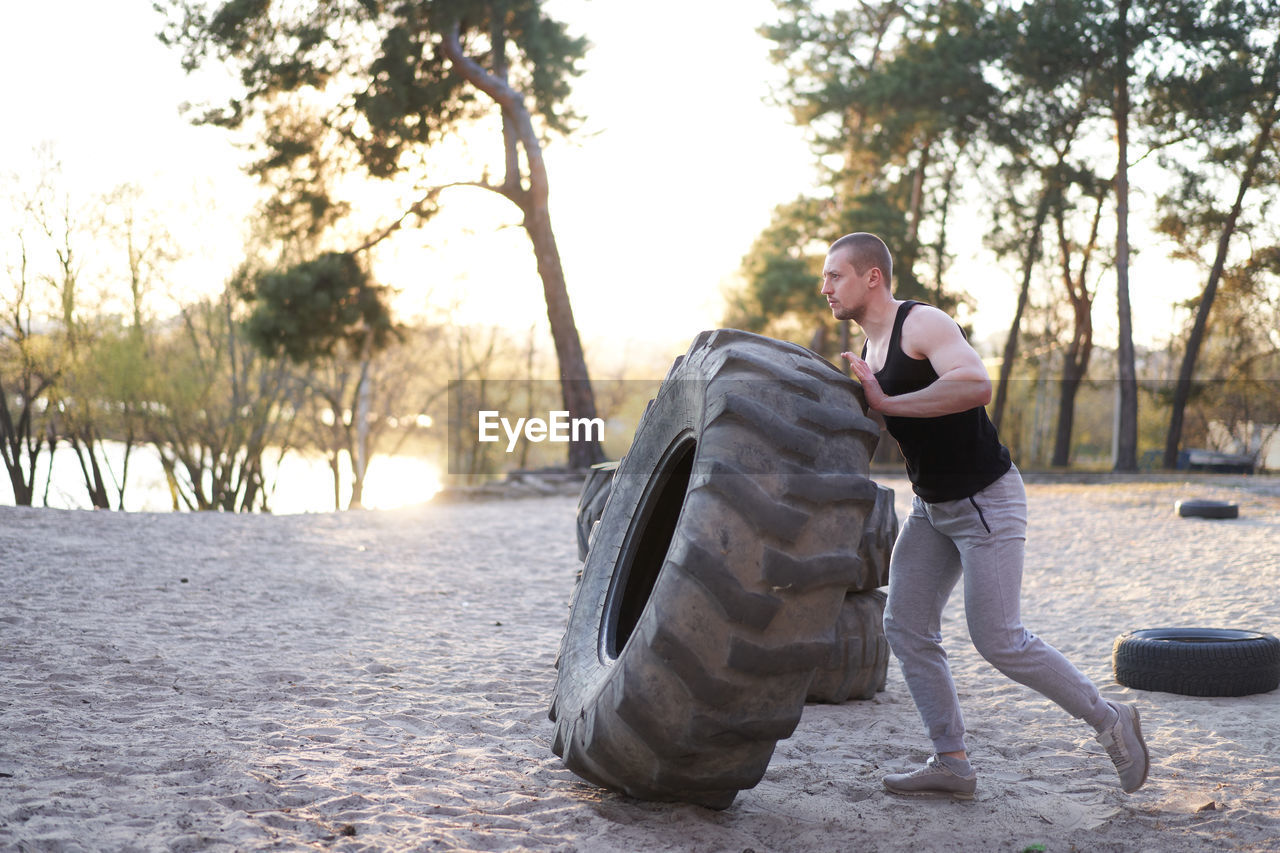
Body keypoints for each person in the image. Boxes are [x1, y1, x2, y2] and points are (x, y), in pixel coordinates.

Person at [820, 231, 1149, 799]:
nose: (824, 287)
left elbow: (976, 384)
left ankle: (1110, 720)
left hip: (985, 500)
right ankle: (952, 763)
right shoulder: (870, 353)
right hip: (932, 508)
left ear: (872, 276)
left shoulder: (920, 324)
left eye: (835, 275)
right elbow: (897, 426)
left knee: (999, 638)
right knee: (904, 625)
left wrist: (887, 403)